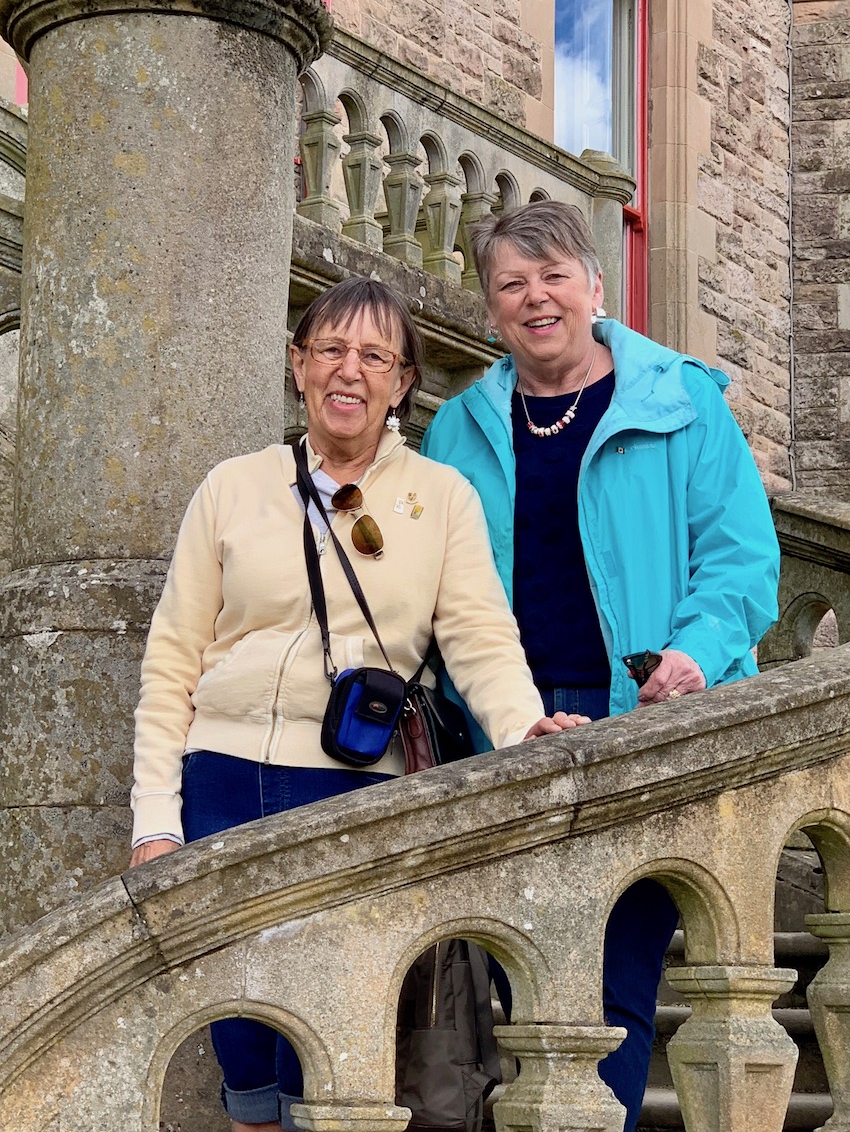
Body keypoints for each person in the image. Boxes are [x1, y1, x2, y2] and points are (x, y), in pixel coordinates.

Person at [128, 276, 588, 1132]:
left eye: (375, 355)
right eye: (331, 349)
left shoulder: (441, 497)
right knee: (242, 1047)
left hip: (359, 786)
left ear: (403, 381)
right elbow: (172, 661)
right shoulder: (232, 486)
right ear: (297, 364)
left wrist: (525, 726)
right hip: (224, 781)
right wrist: (156, 817)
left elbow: (481, 638)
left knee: (339, 1039)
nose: (350, 371)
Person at [420, 200, 780, 1132]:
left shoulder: (681, 397)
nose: (535, 298)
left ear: (595, 287)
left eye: (553, 277)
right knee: (524, 981)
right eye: (511, 283)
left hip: (644, 721)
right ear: (491, 308)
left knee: (612, 985)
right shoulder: (457, 429)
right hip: (505, 733)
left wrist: (696, 657)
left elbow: (741, 559)